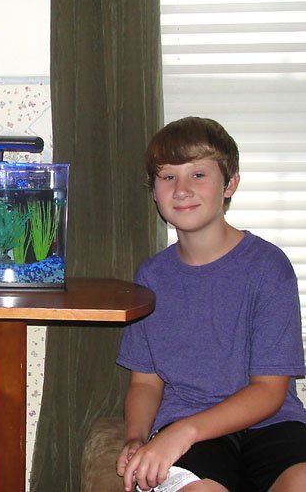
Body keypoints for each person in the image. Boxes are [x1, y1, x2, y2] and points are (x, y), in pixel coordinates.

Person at [115, 116, 306, 492]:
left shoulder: (268, 267)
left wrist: (183, 434)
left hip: (273, 425)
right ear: (153, 191)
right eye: (168, 177)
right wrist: (136, 438)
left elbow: (269, 389)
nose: (182, 189)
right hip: (187, 424)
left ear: (230, 184)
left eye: (198, 175)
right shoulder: (152, 276)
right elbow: (145, 382)